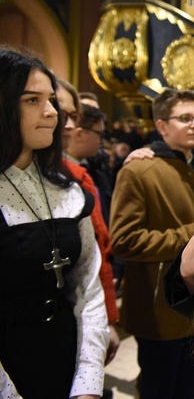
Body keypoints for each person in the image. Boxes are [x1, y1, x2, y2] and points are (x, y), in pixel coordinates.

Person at [0, 47, 108, 398]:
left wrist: (88, 384)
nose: (51, 112)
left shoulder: (67, 191)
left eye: (51, 100)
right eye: (32, 100)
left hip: (66, 369)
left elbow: (88, 291)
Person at [109, 88, 194, 399]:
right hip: (158, 307)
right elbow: (123, 241)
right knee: (160, 388)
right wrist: (191, 234)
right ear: (162, 126)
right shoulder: (138, 171)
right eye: (184, 118)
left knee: (193, 388)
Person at [56, 82, 120, 366]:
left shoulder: (77, 176)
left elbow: (94, 254)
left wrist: (107, 317)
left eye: (73, 116)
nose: (67, 126)